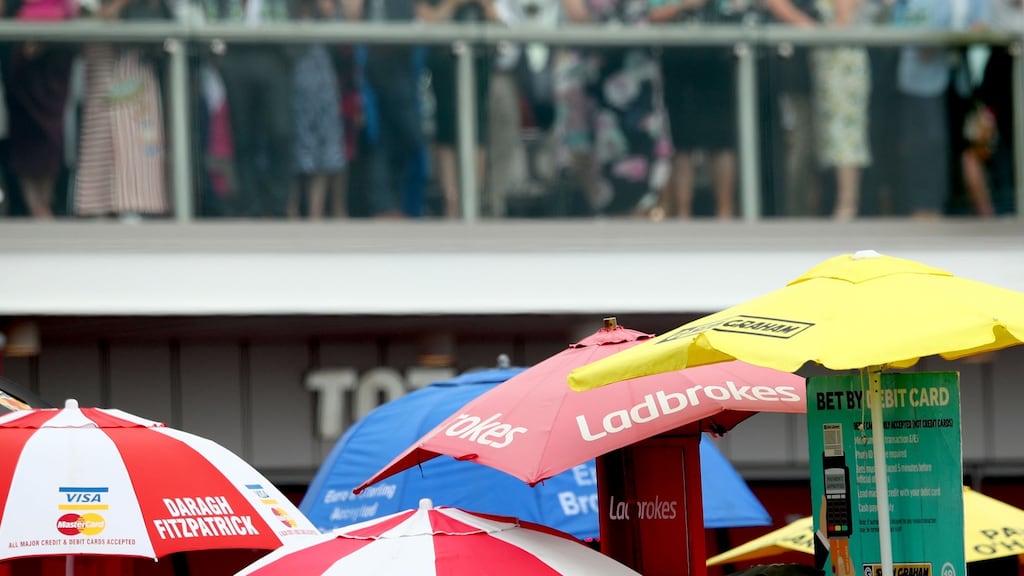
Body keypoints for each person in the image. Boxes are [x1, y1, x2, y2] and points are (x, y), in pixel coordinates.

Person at [556, 0, 668, 217]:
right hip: (591, 71)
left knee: (639, 143)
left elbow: (655, 12)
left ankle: (640, 207)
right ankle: (603, 211)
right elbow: (577, 16)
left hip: (634, 71)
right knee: (590, 149)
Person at [75, 0, 172, 220]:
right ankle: (98, 204)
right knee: (99, 138)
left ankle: (135, 203)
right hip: (101, 63)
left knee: (137, 137)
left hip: (135, 62)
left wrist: (118, 6)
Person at [651, 0, 747, 220]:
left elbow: (738, 10)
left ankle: (725, 213)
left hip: (718, 60)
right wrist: (683, 6)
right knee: (681, 144)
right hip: (678, 62)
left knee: (721, 143)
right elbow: (651, 16)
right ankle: (683, 215)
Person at [892, 0, 987, 218]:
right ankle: (925, 204)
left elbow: (982, 22)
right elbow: (903, 21)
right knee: (926, 143)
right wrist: (926, 39)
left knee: (963, 143)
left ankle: (955, 206)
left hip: (962, 77)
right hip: (923, 77)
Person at [207, 0, 295, 218]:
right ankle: (250, 204)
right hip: (235, 55)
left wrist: (291, 55)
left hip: (274, 55)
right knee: (243, 136)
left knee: (280, 132)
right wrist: (216, 55)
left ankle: (277, 204)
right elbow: (211, 12)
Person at [343, 0, 426, 218]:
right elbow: (352, 13)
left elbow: (421, 13)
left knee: (406, 136)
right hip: (374, 61)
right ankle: (383, 205)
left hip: (403, 62)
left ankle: (394, 203)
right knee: (379, 135)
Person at [417, 0, 497, 219]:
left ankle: (472, 203)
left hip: (479, 61)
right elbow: (426, 20)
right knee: (446, 129)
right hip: (444, 62)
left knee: (477, 127)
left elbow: (499, 20)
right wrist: (453, 4)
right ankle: (451, 204)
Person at [4, 0, 79, 219]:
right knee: (24, 135)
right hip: (22, 59)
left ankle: (43, 204)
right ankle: (34, 206)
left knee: (51, 137)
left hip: (54, 60)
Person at [810, 0, 871, 220]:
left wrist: (811, 31)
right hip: (829, 63)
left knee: (846, 136)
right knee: (834, 136)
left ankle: (847, 204)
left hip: (843, 64)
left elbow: (842, 20)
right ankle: (843, 203)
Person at [289, 0, 346, 219]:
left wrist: (329, 11)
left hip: (323, 88)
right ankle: (291, 210)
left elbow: (342, 38)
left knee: (324, 151)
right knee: (293, 149)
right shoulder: (287, 9)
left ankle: (316, 213)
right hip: (291, 84)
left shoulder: (326, 9)